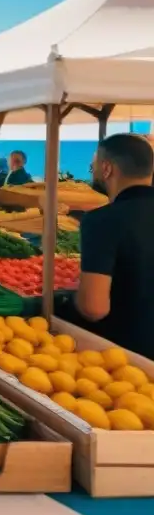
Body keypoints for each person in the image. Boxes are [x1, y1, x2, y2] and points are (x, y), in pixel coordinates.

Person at [62, 134, 154, 358]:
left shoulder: (102, 221)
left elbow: (94, 308)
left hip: (128, 358)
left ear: (107, 168)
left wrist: (72, 297)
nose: (91, 171)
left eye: (92, 166)